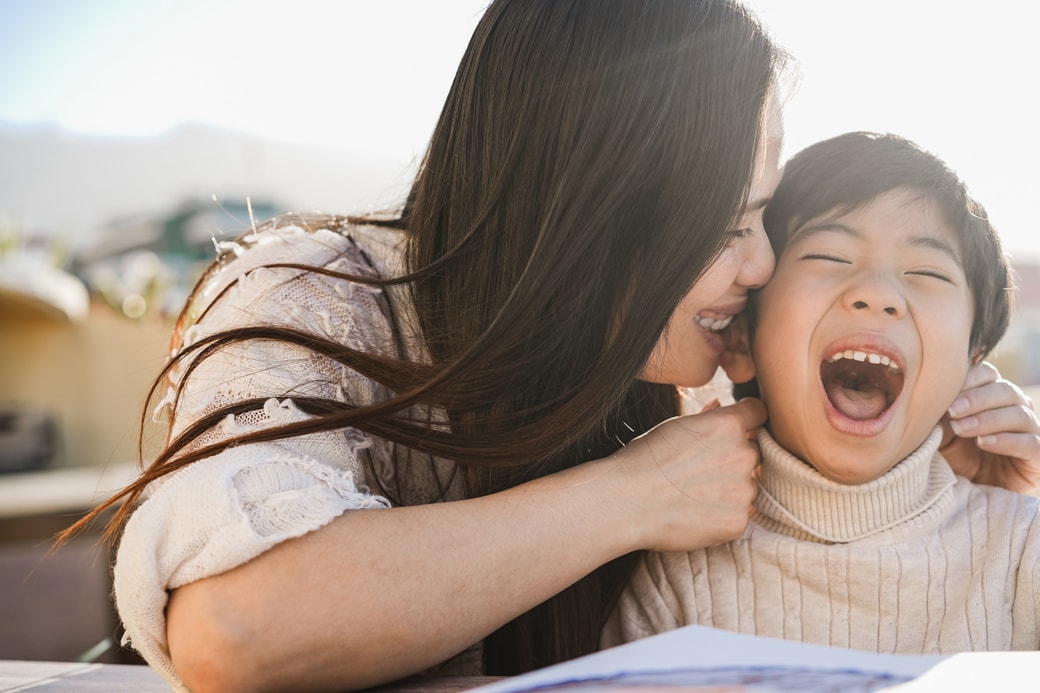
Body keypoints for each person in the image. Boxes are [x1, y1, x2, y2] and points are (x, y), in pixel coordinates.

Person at [58, 3, 1035, 690]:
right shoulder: (316, 294)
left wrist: (947, 449)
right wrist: (628, 497)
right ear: (595, 215)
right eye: (728, 223)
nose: (760, 264)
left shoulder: (673, 361)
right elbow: (242, 632)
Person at [603, 131, 1040, 654]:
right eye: (830, 256)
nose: (877, 294)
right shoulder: (678, 572)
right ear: (740, 340)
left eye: (926, 272)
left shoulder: (1022, 549)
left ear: (971, 361)